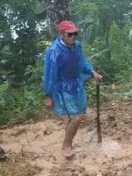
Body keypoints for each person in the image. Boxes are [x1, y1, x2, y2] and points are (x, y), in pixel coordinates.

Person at [43, 20, 103, 158]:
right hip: (62, 87)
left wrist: (93, 73)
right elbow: (50, 74)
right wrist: (48, 95)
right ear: (62, 34)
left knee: (77, 115)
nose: (73, 37)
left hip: (76, 84)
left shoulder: (77, 46)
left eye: (75, 34)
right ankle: (66, 146)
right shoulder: (54, 51)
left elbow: (82, 62)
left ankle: (68, 140)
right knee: (75, 118)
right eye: (70, 34)